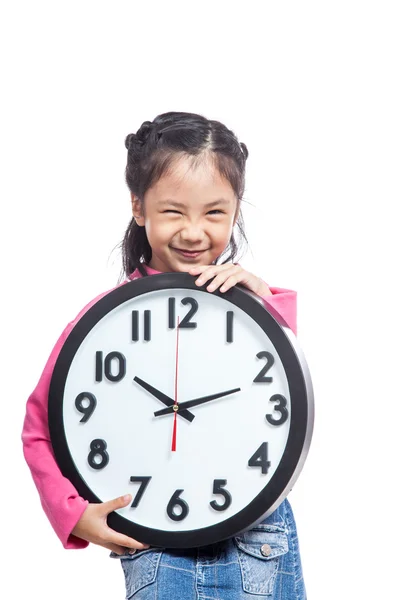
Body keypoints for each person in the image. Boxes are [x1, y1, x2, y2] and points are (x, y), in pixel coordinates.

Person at [22, 111, 307, 599]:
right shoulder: (103, 322)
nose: (194, 232)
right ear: (139, 206)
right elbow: (39, 426)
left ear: (235, 210)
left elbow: (281, 396)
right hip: (154, 542)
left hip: (260, 540)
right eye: (174, 211)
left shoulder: (251, 305)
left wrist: (262, 301)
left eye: (214, 213)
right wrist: (71, 511)